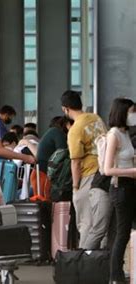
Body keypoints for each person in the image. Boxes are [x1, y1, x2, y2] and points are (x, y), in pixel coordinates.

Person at [61, 90, 108, 249]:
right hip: (104, 173)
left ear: (65, 109)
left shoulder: (75, 130)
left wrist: (75, 187)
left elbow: (75, 162)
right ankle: (102, 260)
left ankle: (85, 261)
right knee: (101, 221)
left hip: (88, 175)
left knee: (86, 223)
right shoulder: (96, 118)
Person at [103, 98, 136, 284]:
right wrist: (133, 171)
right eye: (132, 112)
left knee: (125, 232)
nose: (134, 116)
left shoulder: (125, 133)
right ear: (123, 113)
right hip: (120, 187)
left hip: (130, 186)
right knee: (122, 233)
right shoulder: (114, 134)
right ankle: (115, 276)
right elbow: (108, 169)